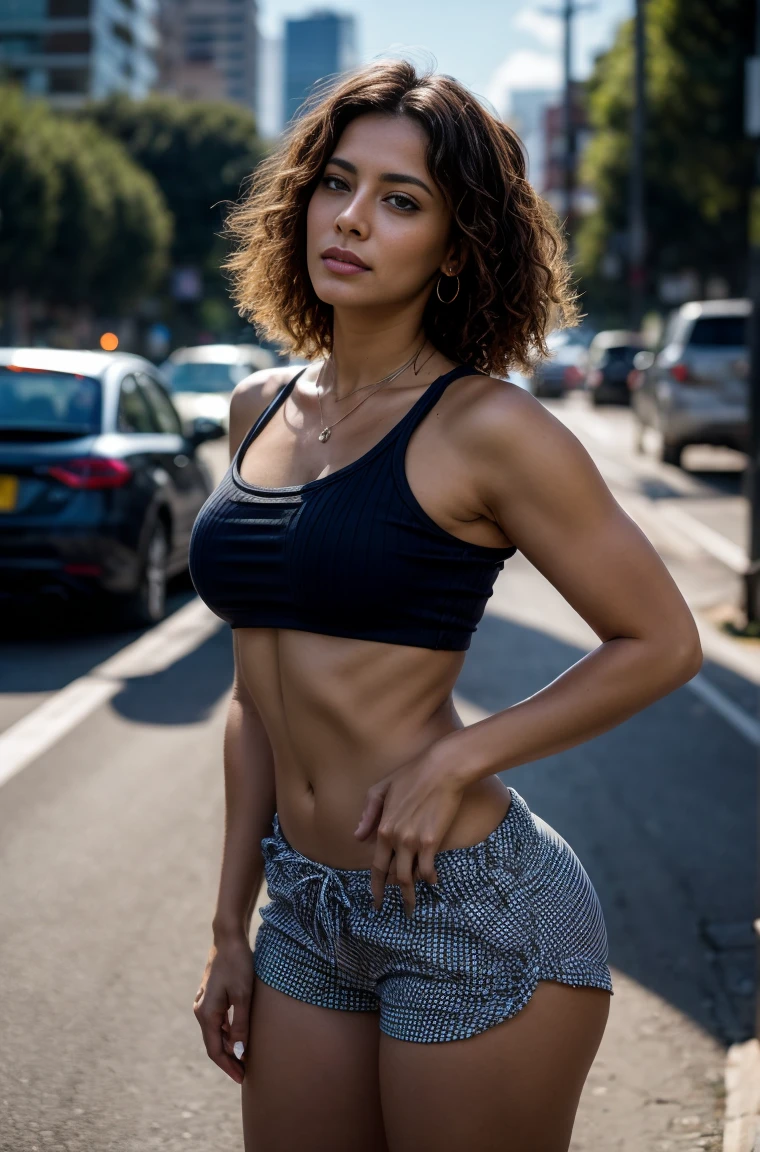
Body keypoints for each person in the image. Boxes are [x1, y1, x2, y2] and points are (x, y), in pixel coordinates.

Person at [189, 59, 702, 1152]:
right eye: (337, 182)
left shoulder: (486, 429)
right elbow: (253, 702)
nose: (353, 218)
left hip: (469, 910)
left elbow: (660, 640)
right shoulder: (255, 407)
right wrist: (229, 924)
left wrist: (454, 759)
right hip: (308, 911)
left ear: (457, 247)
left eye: (401, 200)